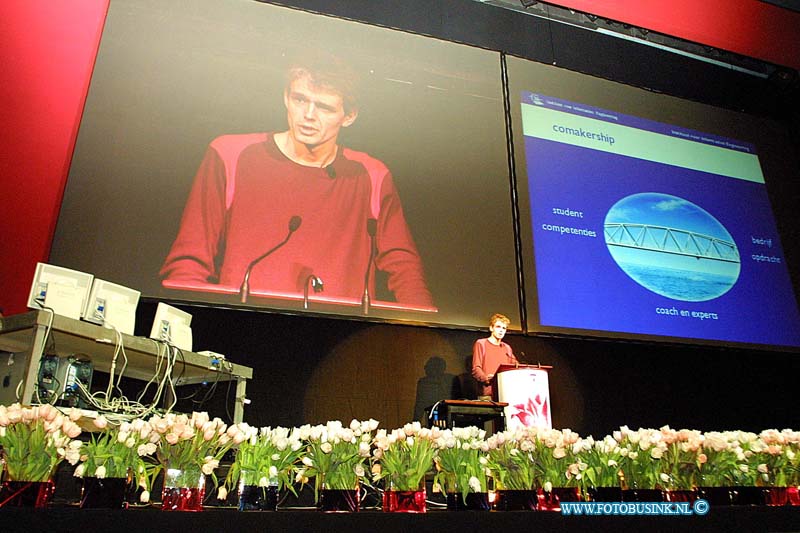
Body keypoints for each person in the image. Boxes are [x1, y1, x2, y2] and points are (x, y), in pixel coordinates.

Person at [160, 53, 433, 307]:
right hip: (239, 328)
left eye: (324, 107)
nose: (309, 115)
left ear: (349, 116)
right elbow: (189, 261)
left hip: (336, 340)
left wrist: (421, 330)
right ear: (285, 98)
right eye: (300, 100)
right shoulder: (229, 154)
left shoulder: (371, 175)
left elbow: (404, 267)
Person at [472, 313, 518, 400]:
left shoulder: (506, 347)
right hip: (488, 394)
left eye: (504, 328)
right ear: (491, 328)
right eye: (498, 327)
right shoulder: (481, 343)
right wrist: (486, 379)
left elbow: (515, 367)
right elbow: (476, 368)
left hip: (506, 393)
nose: (501, 330)